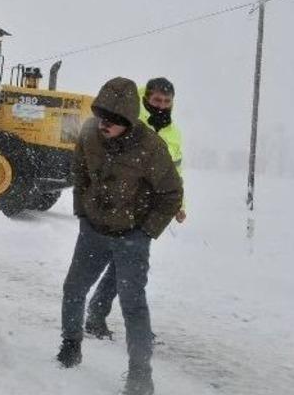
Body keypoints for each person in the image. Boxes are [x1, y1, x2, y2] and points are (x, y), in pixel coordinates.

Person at [56, 77, 182, 395]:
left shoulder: (152, 147)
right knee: (74, 288)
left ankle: (140, 375)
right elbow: (79, 171)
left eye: (111, 120)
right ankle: (71, 344)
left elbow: (171, 194)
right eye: (101, 116)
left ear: (128, 119)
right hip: (94, 231)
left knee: (132, 305)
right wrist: (82, 213)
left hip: (131, 237)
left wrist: (145, 233)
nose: (103, 125)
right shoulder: (89, 133)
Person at [85, 77, 185, 339]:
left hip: (149, 208)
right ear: (145, 99)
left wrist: (179, 204)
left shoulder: (173, 133)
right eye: (156, 100)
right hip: (122, 204)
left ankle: (98, 313)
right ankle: (129, 327)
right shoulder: (128, 120)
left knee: (125, 266)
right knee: (129, 267)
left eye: (166, 101)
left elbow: (175, 172)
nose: (162, 106)